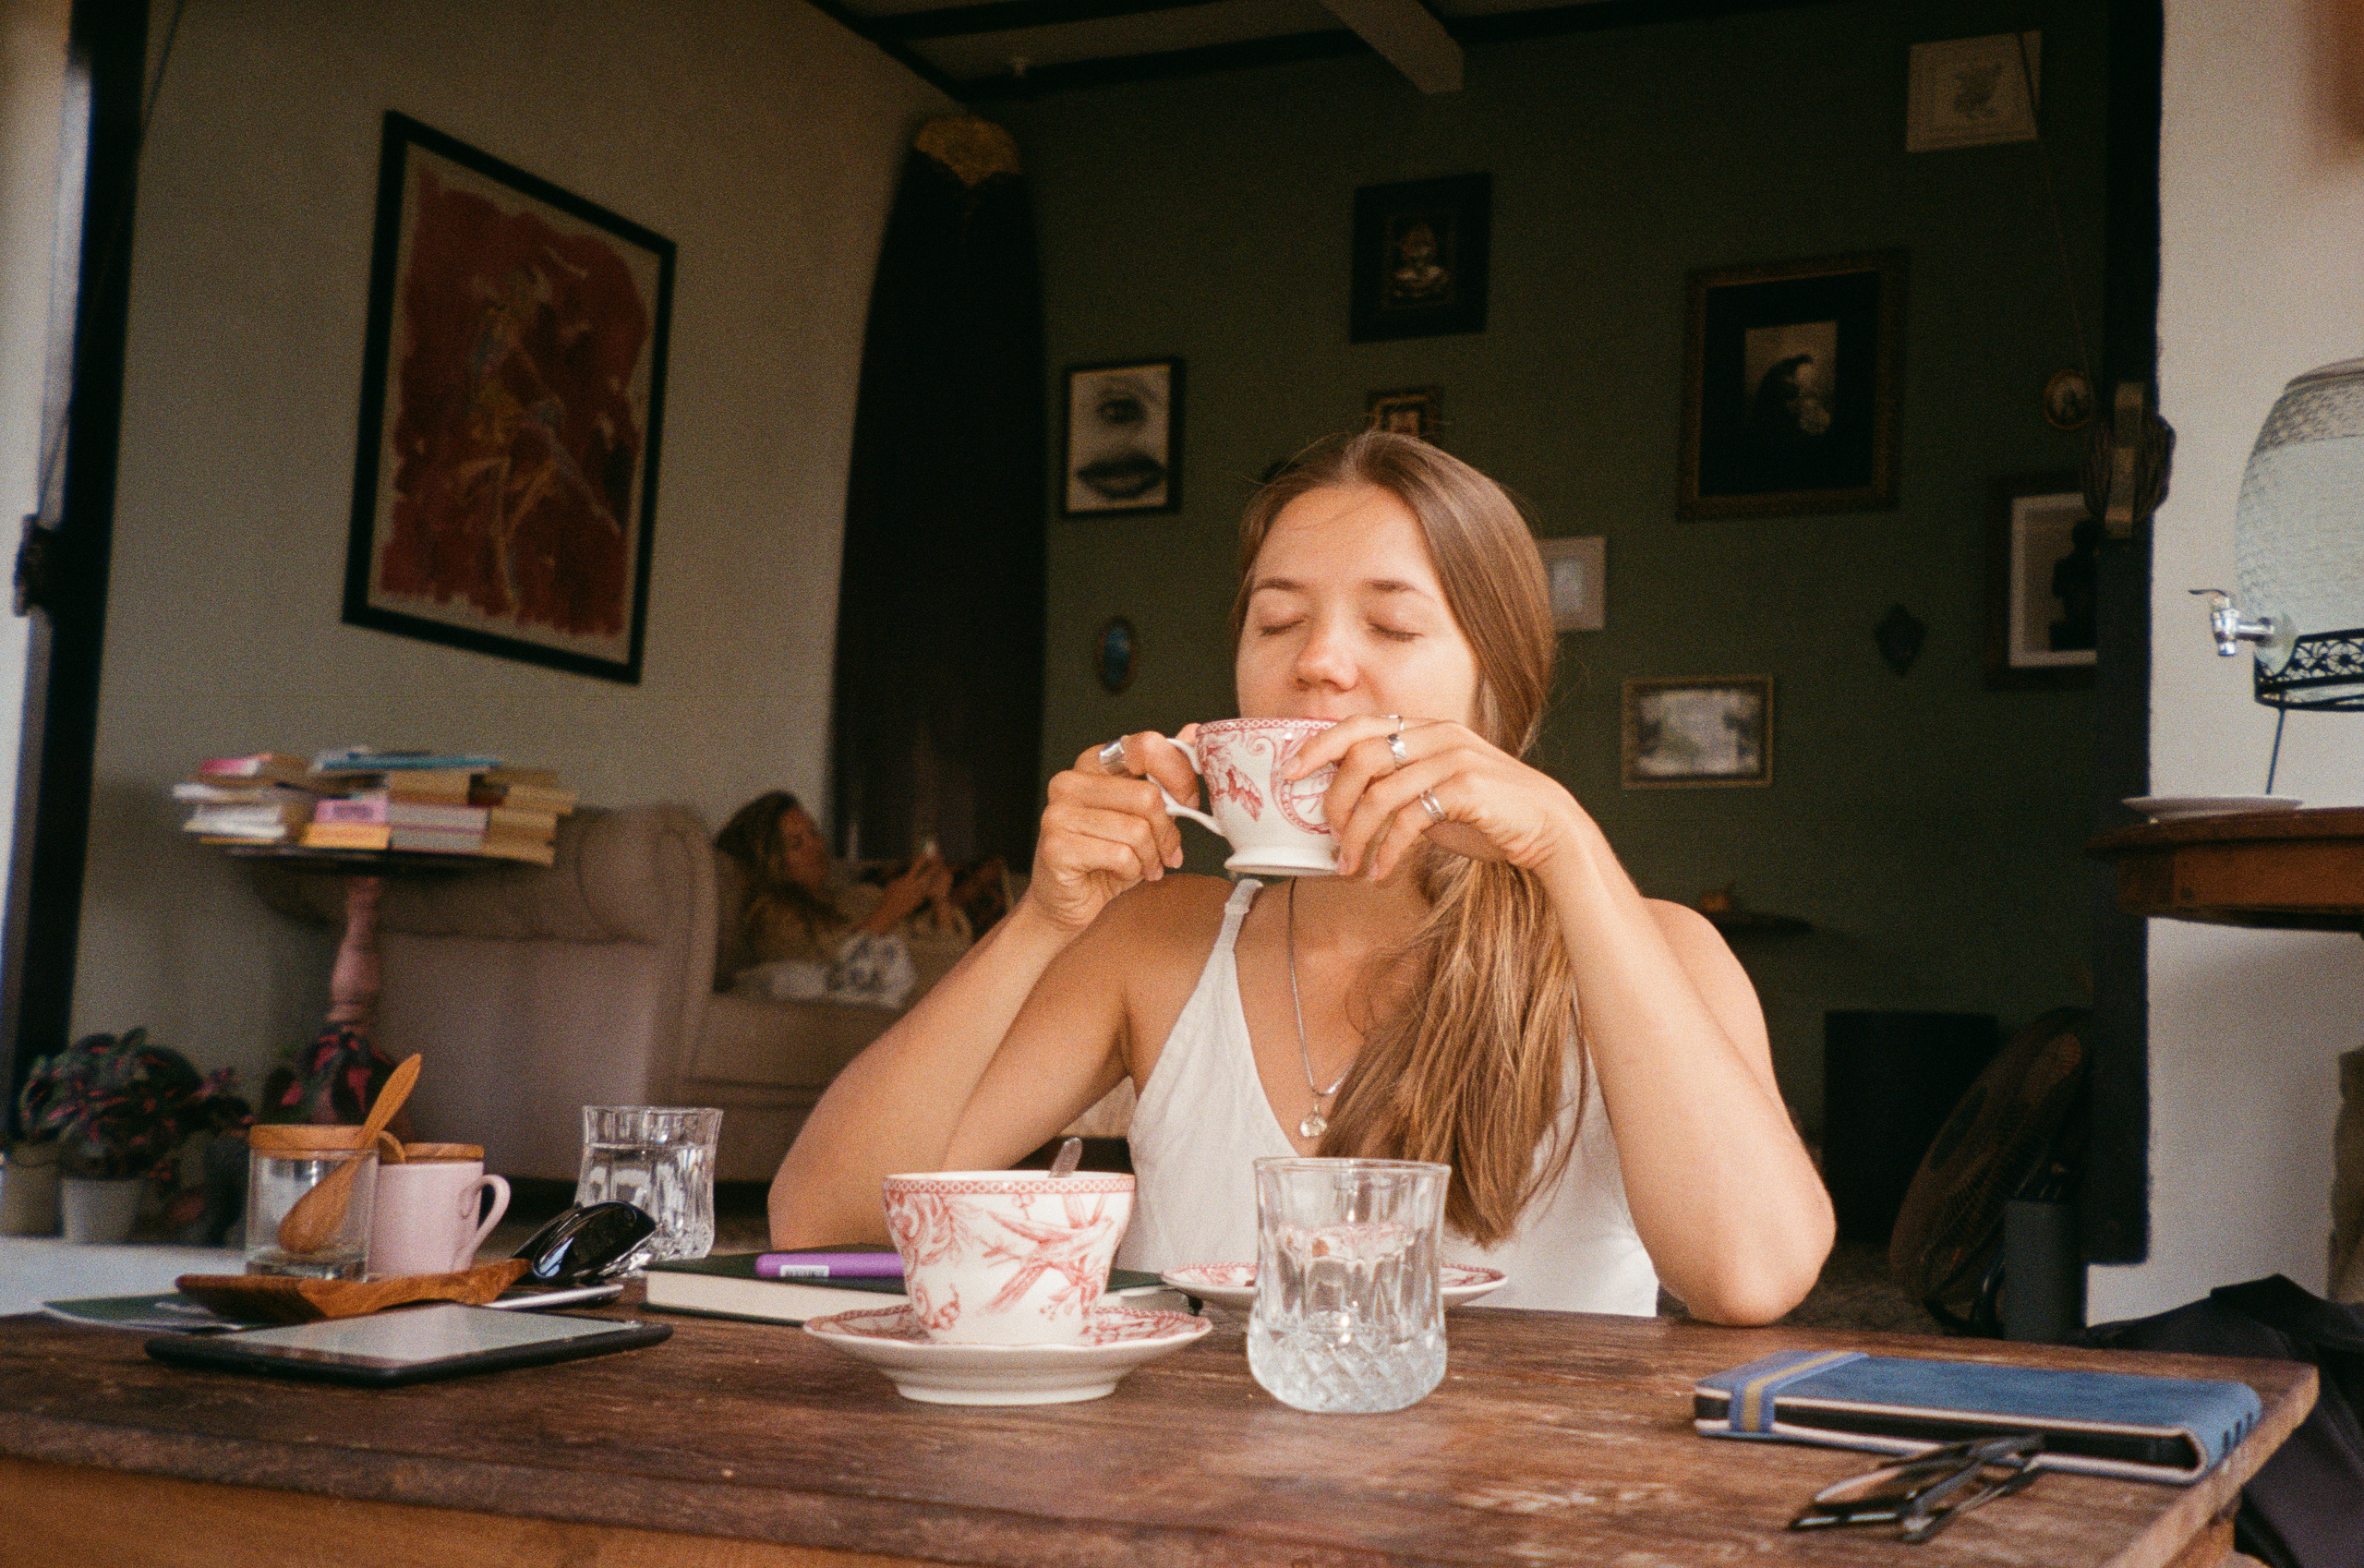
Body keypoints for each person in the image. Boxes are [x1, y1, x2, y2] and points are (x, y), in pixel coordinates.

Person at [769, 432, 1833, 1323]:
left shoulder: (1650, 952)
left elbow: (1750, 1276)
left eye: (1392, 624)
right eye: (1276, 620)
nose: (1319, 661)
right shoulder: (1153, 944)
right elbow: (827, 1220)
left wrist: (1566, 848)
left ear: (1497, 687)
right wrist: (1043, 923)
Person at [713, 792, 966, 1005]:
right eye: (796, 844)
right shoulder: (774, 917)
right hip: (924, 1004)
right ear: (770, 862)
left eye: (813, 832)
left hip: (956, 985)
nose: (815, 845)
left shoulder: (859, 896)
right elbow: (829, 975)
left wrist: (940, 900)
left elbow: (950, 953)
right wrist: (889, 911)